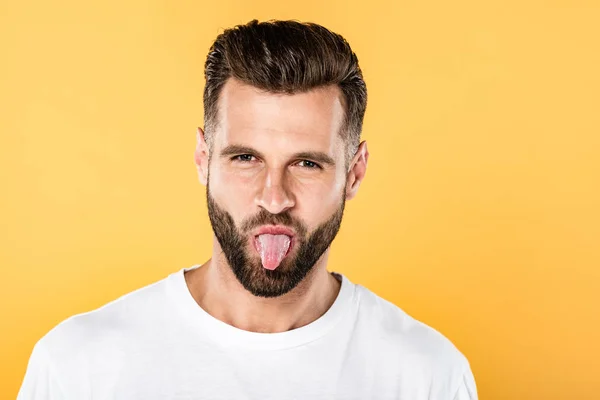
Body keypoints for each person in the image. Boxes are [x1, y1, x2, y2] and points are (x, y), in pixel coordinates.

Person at [18, 19, 478, 399]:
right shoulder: (77, 368)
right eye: (245, 158)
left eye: (306, 163)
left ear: (354, 173)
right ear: (203, 158)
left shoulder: (427, 377)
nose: (273, 198)